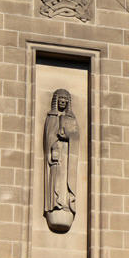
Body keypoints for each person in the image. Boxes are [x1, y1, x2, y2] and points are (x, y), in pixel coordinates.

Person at [43, 89, 80, 233]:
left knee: (64, 180)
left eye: (65, 99)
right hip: (56, 156)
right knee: (56, 180)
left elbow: (76, 136)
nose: (63, 102)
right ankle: (55, 204)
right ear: (56, 100)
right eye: (61, 99)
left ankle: (65, 204)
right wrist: (52, 148)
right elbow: (48, 137)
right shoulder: (51, 117)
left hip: (67, 155)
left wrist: (68, 137)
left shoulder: (71, 118)